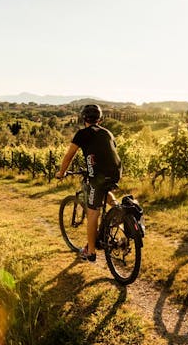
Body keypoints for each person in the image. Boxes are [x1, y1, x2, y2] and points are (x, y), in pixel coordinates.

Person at [56, 104, 122, 262]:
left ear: (83, 118)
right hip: (115, 173)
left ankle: (91, 252)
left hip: (97, 176)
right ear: (100, 119)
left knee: (93, 212)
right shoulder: (107, 132)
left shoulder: (82, 134)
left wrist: (62, 173)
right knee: (104, 192)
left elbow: (69, 155)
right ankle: (119, 211)